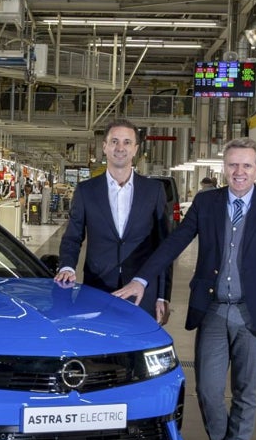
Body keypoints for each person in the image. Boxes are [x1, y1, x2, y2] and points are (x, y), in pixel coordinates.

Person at [114, 138, 256, 440]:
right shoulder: (207, 202)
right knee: (209, 391)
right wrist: (141, 278)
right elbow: (174, 242)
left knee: (246, 392)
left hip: (254, 313)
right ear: (224, 168)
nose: (239, 172)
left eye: (246, 165)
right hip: (213, 310)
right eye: (233, 165)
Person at [55, 119, 172, 322]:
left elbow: (164, 247)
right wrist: (67, 266)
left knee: (138, 347)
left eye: (127, 142)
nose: (120, 148)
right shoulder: (86, 191)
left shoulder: (153, 191)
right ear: (105, 147)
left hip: (142, 289)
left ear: (135, 149)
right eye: (115, 141)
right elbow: (73, 237)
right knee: (99, 347)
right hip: (98, 288)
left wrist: (162, 295)